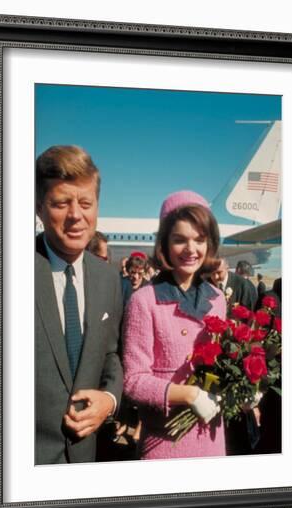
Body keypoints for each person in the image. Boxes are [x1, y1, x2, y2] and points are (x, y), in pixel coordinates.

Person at [35, 145, 123, 464]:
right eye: (61, 203)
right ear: (39, 207)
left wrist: (110, 400)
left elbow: (111, 353)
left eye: (86, 203)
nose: (76, 215)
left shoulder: (108, 278)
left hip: (85, 459)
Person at [123, 190, 226, 460]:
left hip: (212, 436)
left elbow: (223, 364)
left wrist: (245, 389)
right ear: (165, 244)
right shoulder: (144, 300)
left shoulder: (217, 300)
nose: (191, 250)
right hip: (165, 440)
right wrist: (189, 395)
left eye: (199, 240)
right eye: (180, 240)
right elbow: (133, 381)